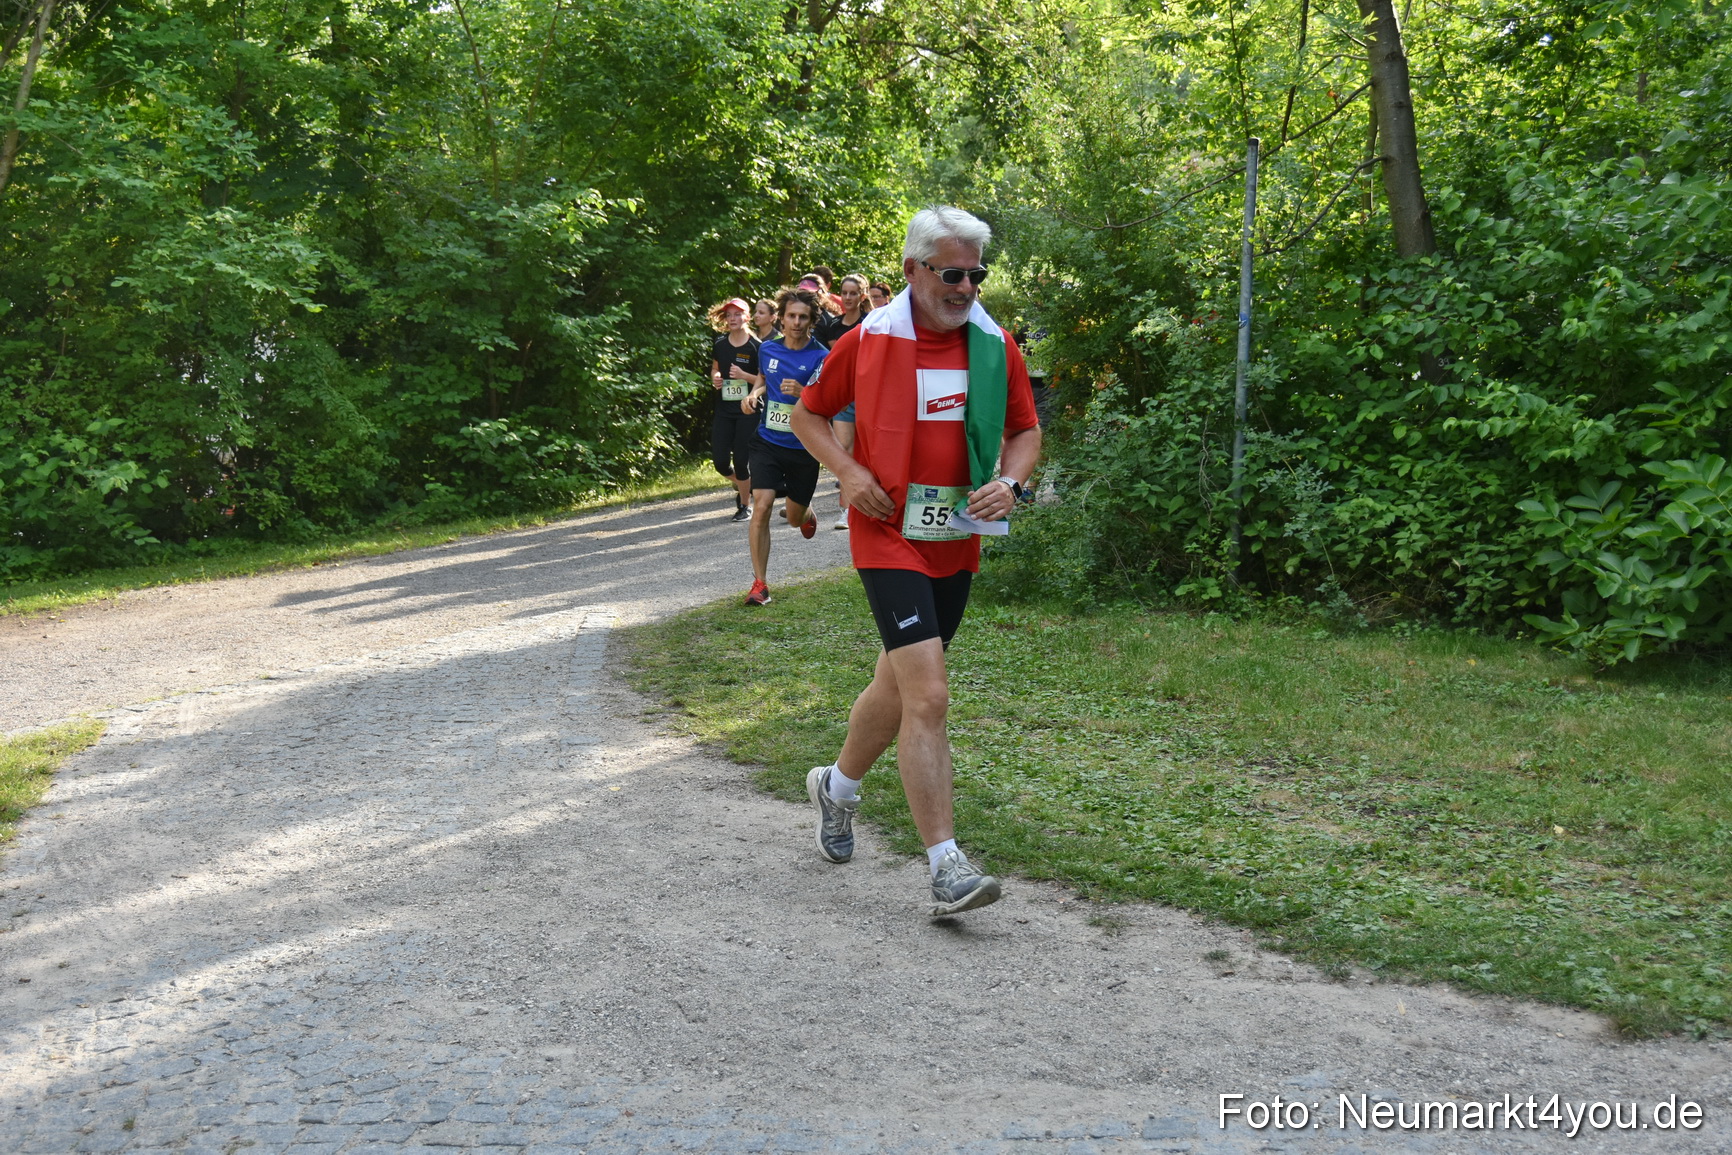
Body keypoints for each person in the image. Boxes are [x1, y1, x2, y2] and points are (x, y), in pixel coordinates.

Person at [790, 206, 1041, 916]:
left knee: (898, 686)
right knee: (929, 694)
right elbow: (809, 413)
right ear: (912, 270)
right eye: (952, 274)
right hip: (886, 531)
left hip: (956, 532)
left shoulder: (994, 344)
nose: (966, 288)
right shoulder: (871, 339)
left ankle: (835, 788)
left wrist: (1012, 483)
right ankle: (946, 865)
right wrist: (846, 470)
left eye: (976, 275)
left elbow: (1025, 429)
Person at [741, 287, 826, 606]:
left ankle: (805, 513)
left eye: (803, 317)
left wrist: (805, 392)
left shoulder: (821, 356)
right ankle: (760, 584)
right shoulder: (767, 349)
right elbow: (763, 380)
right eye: (791, 315)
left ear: (811, 321)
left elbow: (829, 403)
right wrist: (754, 394)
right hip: (768, 442)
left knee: (792, 518)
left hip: (805, 447)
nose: (796, 322)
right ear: (782, 317)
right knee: (761, 505)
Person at [817, 275, 871, 530]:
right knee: (844, 451)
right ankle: (846, 511)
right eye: (844, 293)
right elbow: (833, 365)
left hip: (870, 398)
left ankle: (873, 505)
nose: (848, 298)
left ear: (862, 296)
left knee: (870, 452)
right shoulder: (833, 326)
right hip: (844, 400)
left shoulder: (871, 323)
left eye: (853, 293)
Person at [707, 298, 764, 521]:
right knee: (720, 462)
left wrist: (744, 376)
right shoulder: (720, 344)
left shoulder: (757, 346)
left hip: (748, 410)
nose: (732, 318)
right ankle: (746, 485)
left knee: (742, 460)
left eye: (737, 314)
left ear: (747, 317)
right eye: (729, 315)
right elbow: (714, 369)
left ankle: (745, 505)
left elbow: (764, 379)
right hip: (724, 409)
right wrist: (716, 378)